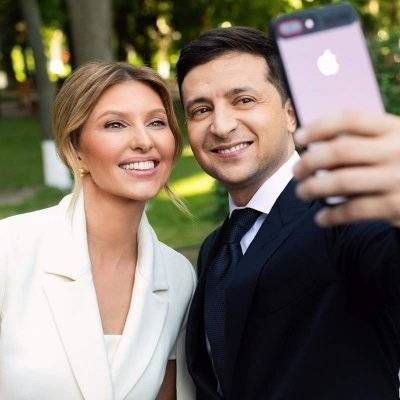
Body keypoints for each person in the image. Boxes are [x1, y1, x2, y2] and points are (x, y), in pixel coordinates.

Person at [176, 26, 400, 399]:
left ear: (291, 114)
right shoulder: (216, 248)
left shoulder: (348, 211)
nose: (221, 125)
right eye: (201, 110)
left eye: (243, 100)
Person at [0, 62, 196, 400]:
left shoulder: (178, 277)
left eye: (156, 122)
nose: (144, 141)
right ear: (75, 149)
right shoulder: (9, 249)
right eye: (115, 124)